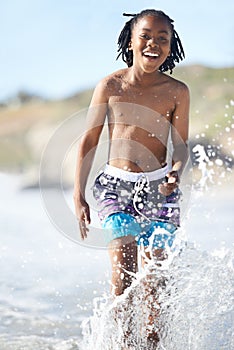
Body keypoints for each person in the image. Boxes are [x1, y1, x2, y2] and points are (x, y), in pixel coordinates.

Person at [74, 8, 189, 341]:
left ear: (171, 46)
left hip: (161, 193)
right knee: (123, 281)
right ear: (131, 41)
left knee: (156, 285)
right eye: (146, 36)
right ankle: (124, 345)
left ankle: (153, 346)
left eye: (162, 38)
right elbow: (90, 141)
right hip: (116, 190)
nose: (154, 44)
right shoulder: (110, 86)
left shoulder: (177, 91)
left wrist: (176, 173)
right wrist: (78, 194)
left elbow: (179, 146)